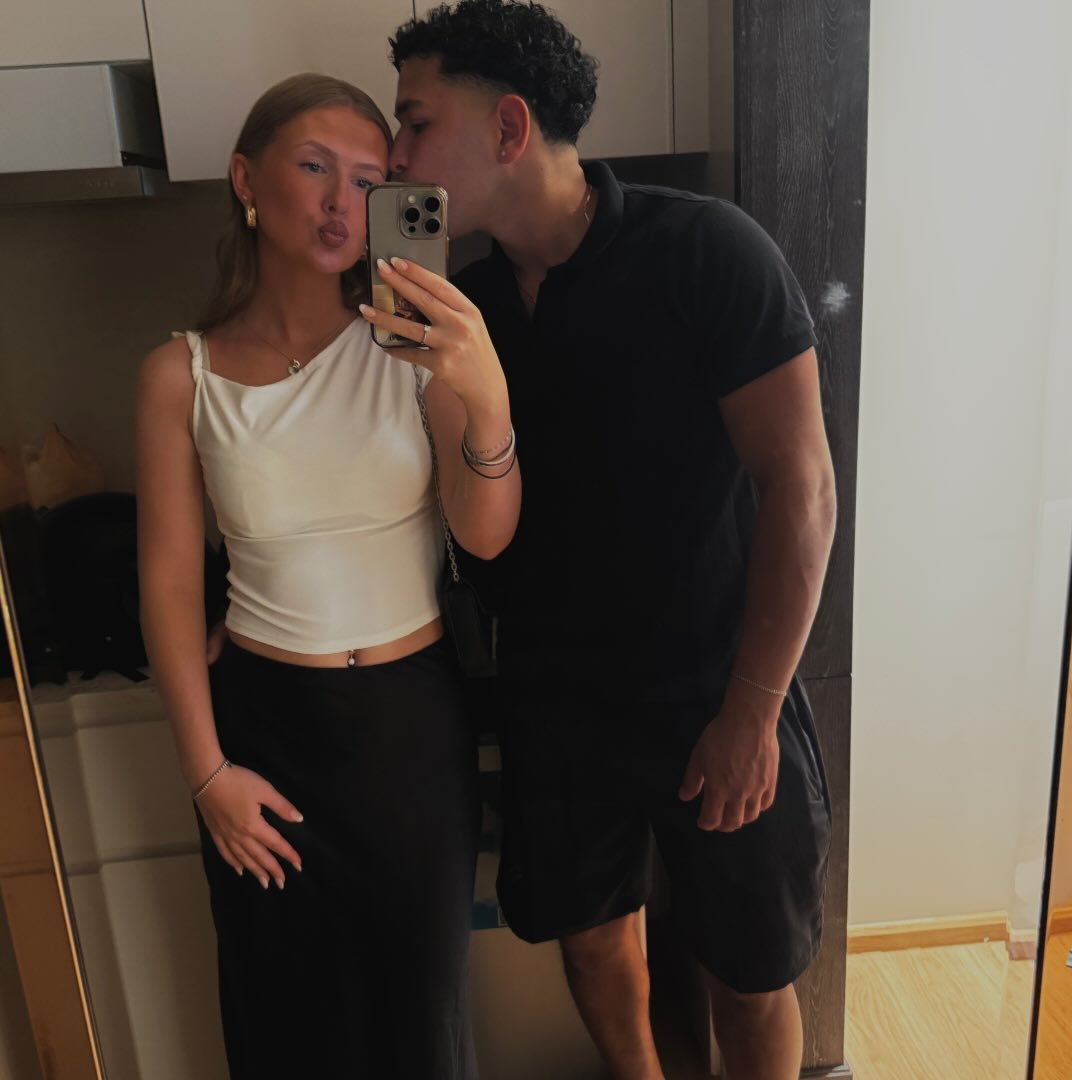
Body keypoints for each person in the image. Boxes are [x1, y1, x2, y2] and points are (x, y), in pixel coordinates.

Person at [386, 4, 836, 1079]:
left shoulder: (707, 251)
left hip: (715, 684)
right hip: (553, 692)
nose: (395, 157)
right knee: (591, 941)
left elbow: (804, 488)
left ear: (507, 128)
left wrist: (753, 711)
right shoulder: (466, 306)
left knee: (749, 969)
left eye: (414, 122)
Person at [135, 72, 519, 1079]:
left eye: (367, 179)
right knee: (286, 1032)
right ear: (245, 179)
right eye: (314, 167)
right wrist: (207, 775)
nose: (341, 201)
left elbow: (484, 536)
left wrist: (486, 402)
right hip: (262, 737)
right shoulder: (181, 376)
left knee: (421, 1031)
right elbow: (169, 587)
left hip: (408, 738)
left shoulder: (415, 348)